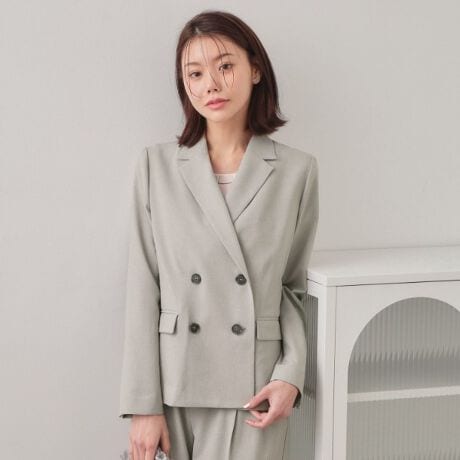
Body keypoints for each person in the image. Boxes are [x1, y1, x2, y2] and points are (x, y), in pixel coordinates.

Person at [119, 9, 319, 460]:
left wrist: (291, 374)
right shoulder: (155, 166)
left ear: (255, 69)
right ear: (185, 84)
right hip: (175, 383)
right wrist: (142, 405)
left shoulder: (297, 171)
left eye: (225, 66)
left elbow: (291, 287)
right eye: (195, 73)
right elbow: (142, 284)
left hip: (256, 387)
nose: (210, 84)